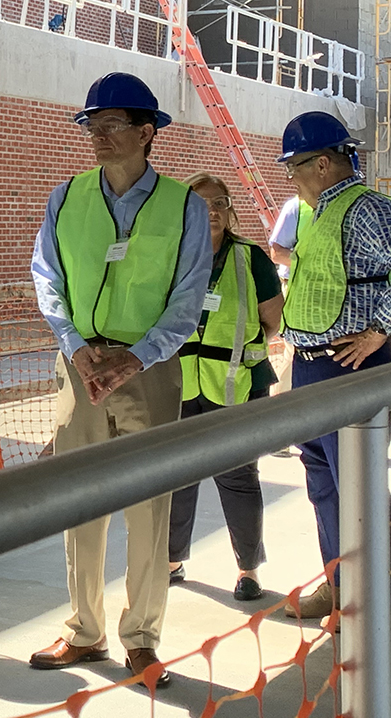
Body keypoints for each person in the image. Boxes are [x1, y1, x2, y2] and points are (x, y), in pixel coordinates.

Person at [29, 73, 211, 687]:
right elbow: (46, 276)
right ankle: (84, 630)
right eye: (90, 125)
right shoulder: (66, 198)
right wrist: (76, 348)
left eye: (110, 126)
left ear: (146, 132)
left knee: (148, 509)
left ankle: (141, 638)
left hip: (151, 370)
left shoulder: (185, 205)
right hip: (77, 368)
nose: (97, 137)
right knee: (80, 499)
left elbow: (188, 299)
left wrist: (135, 358)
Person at [276, 111, 391, 621]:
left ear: (323, 163)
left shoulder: (366, 209)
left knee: (356, 489)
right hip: (312, 367)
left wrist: (379, 332)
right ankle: (339, 584)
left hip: (349, 367)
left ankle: (370, 600)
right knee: (323, 483)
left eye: (294, 167)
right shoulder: (320, 210)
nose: (291, 177)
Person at [168, 173, 283, 601]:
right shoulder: (172, 256)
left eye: (220, 203)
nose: (212, 212)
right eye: (201, 205)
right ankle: (172, 559)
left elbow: (272, 321)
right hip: (181, 386)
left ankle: (248, 570)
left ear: (230, 210)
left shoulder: (250, 258)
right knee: (177, 476)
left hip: (237, 389)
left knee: (238, 479)